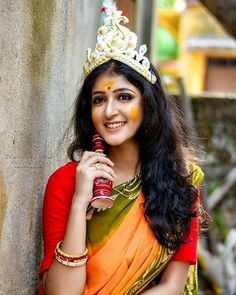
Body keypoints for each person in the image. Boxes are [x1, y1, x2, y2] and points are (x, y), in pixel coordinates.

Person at [39, 9, 209, 295]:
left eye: (124, 97)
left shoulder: (183, 181)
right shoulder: (65, 182)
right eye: (98, 99)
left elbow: (172, 286)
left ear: (148, 104)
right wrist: (81, 202)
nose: (109, 111)